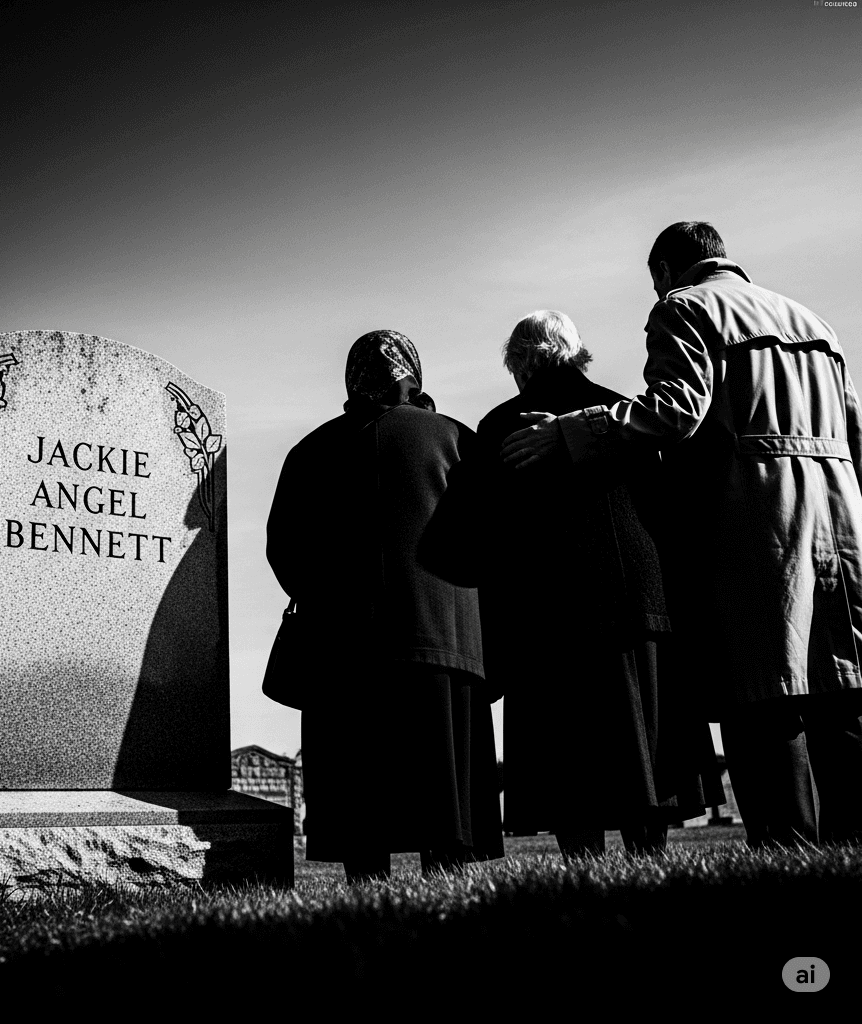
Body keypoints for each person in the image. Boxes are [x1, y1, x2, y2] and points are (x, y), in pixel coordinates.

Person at [502, 222, 862, 848]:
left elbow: (673, 411)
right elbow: (855, 429)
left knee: (765, 691)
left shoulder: (684, 308)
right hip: (841, 513)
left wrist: (570, 431)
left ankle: (787, 848)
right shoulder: (815, 321)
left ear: (666, 271)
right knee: (842, 689)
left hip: (757, 515)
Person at [422, 311, 720, 859]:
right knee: (641, 756)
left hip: (548, 610)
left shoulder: (500, 426)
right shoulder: (622, 412)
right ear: (577, 353)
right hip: (637, 600)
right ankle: (648, 862)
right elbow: (666, 506)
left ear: (518, 365)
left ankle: (583, 867)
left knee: (566, 765)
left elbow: (464, 535)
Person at [266, 330, 504, 882]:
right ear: (414, 373)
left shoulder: (309, 451)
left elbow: (284, 550)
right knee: (448, 817)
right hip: (443, 643)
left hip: (341, 650)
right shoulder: (456, 439)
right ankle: (451, 909)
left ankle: (366, 910)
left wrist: (327, 597)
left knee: (360, 820)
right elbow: (493, 540)